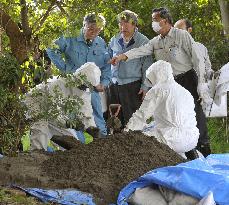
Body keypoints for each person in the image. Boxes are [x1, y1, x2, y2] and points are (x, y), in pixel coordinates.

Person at [110, 7, 211, 157]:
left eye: (155, 20)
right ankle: (182, 150)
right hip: (168, 82)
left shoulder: (181, 35)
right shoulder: (155, 42)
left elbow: (197, 60)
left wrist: (202, 83)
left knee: (195, 112)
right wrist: (122, 56)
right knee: (167, 113)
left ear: (165, 21)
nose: (153, 23)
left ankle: (203, 148)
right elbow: (141, 50)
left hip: (187, 78)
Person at [47, 13, 111, 137]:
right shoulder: (70, 36)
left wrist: (104, 82)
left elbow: (106, 65)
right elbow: (51, 49)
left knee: (97, 117)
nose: (94, 32)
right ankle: (77, 146)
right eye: (91, 28)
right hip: (73, 87)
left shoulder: (101, 42)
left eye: (98, 30)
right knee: (74, 119)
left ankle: (102, 144)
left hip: (93, 89)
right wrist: (65, 69)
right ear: (84, 24)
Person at [126, 60, 199, 157]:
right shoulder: (185, 91)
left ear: (155, 75)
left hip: (171, 139)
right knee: (151, 126)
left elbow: (141, 115)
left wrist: (127, 132)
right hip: (192, 139)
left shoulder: (158, 89)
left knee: (139, 139)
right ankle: (189, 156)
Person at [26, 63, 101, 150]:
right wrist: (69, 123)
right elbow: (52, 111)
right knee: (41, 133)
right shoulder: (58, 84)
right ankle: (36, 158)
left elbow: (86, 110)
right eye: (84, 86)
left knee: (72, 142)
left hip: (54, 113)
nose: (85, 88)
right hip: (36, 105)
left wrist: (91, 127)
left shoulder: (85, 90)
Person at [108, 10, 153, 127]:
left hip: (133, 87)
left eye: (126, 24)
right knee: (115, 122)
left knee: (133, 122)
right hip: (114, 86)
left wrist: (145, 87)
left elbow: (147, 67)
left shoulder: (143, 41)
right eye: (121, 24)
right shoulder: (114, 39)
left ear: (134, 24)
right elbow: (107, 58)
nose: (123, 27)